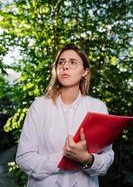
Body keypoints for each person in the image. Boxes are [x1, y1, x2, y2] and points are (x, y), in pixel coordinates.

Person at [16, 44, 114, 187]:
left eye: (73, 62)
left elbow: (107, 158)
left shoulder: (98, 107)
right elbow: (24, 158)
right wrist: (65, 160)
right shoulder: (39, 106)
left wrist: (87, 159)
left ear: (85, 72)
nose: (65, 66)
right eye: (61, 62)